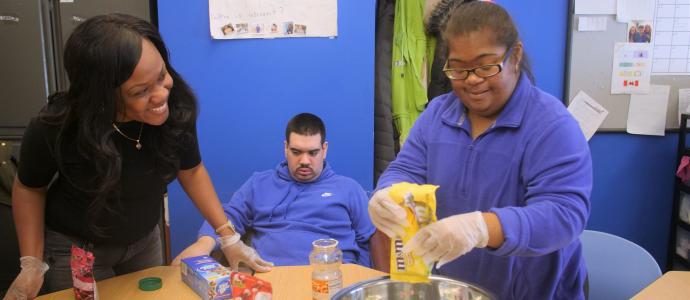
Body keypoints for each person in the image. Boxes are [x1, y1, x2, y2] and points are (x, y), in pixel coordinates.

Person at [368, 2, 592, 299]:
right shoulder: (437, 115)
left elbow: (564, 215)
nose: (472, 79)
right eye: (458, 69)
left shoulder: (551, 125)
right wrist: (387, 192)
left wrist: (480, 228)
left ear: (516, 56)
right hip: (455, 289)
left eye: (486, 66)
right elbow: (405, 169)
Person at [5, 14, 234, 299]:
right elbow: (29, 187)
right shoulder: (55, 127)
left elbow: (192, 170)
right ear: (101, 96)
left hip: (143, 239)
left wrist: (228, 234)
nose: (162, 95)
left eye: (162, 75)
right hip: (79, 249)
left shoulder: (174, 109)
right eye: (141, 91)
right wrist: (31, 264)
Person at [173, 113, 383, 270]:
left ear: (325, 149)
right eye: (296, 152)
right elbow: (228, 215)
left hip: (333, 278)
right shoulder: (259, 184)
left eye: (313, 152)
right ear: (285, 147)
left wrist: (363, 278)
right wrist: (204, 243)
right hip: (272, 278)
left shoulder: (349, 189)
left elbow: (372, 238)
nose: (304, 161)